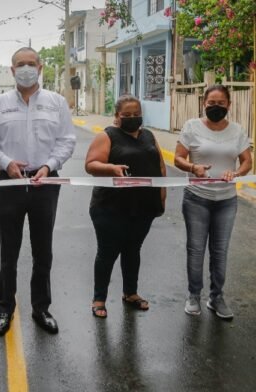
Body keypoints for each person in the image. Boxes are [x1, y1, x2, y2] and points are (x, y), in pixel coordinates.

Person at [0, 47, 76, 336]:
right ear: (11, 70)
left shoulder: (56, 103)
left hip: (45, 182)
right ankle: (5, 308)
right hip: (9, 183)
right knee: (9, 250)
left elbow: (66, 141)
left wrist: (49, 165)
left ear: (40, 67)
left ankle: (41, 308)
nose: (25, 68)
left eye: (30, 64)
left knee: (42, 250)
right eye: (20, 64)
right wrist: (6, 163)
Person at [174, 84, 251, 320]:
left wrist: (236, 173)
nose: (215, 107)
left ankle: (216, 297)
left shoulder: (237, 130)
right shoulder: (191, 127)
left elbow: (247, 162)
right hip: (197, 198)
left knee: (220, 251)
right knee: (196, 250)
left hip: (226, 200)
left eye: (220, 103)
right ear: (203, 104)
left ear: (229, 105)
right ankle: (194, 295)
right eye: (211, 103)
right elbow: (178, 158)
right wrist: (192, 167)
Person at [84, 95, 166, 318]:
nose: (133, 118)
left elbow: (160, 166)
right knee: (107, 252)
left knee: (133, 250)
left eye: (136, 114)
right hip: (110, 207)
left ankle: (130, 293)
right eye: (127, 115)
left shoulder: (149, 135)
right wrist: (111, 168)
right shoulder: (107, 136)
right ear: (117, 117)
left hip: (143, 207)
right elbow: (90, 165)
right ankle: (99, 298)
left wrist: (161, 198)